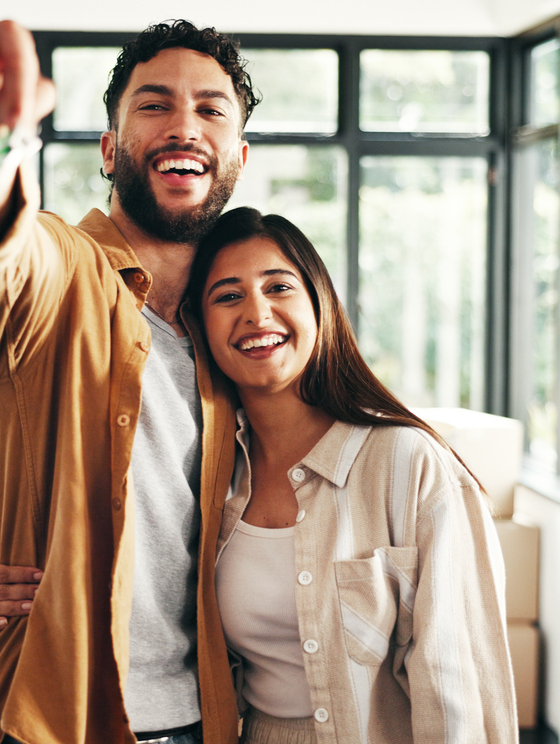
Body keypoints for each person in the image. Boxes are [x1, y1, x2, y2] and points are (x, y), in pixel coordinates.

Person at [0, 18, 259, 744]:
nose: (184, 126)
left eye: (210, 109)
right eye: (154, 105)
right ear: (109, 148)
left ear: (238, 157)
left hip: (203, 719)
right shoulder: (56, 273)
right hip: (48, 723)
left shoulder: (228, 336)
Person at [190, 207, 518, 742]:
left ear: (319, 303)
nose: (257, 313)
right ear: (200, 326)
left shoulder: (406, 462)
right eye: (228, 296)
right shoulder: (212, 477)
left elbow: (458, 683)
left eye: (279, 287)